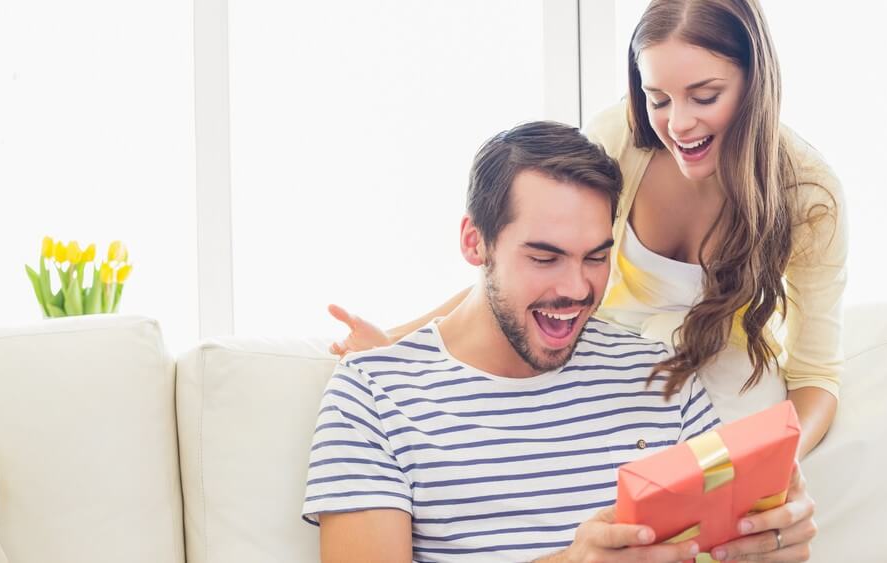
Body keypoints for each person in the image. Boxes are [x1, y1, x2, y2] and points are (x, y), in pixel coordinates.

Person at [328, 0, 847, 459]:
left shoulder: (808, 193)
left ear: (755, 84)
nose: (678, 124)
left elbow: (816, 375)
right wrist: (398, 340)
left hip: (726, 381)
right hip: (604, 361)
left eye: (704, 96)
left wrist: (775, 462)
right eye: (658, 98)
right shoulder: (620, 139)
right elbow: (530, 262)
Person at [305, 121, 816, 562]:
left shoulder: (659, 375)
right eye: (544, 258)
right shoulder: (373, 394)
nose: (575, 289)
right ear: (474, 242)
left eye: (595, 257)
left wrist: (769, 542)